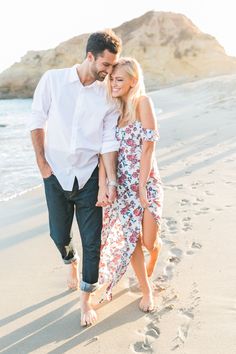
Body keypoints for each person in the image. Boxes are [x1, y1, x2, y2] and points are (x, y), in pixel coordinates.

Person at [28, 30, 122, 326]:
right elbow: (36, 120)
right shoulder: (53, 80)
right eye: (105, 65)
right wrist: (42, 164)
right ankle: (71, 262)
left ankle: (86, 299)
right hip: (55, 173)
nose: (109, 72)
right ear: (90, 56)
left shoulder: (107, 95)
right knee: (58, 235)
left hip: (89, 176)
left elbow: (108, 141)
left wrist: (110, 182)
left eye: (112, 67)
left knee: (92, 241)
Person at [97, 57, 164, 312]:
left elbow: (148, 149)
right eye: (112, 79)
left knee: (149, 241)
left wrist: (142, 188)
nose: (113, 83)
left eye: (119, 80)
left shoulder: (143, 103)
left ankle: (156, 252)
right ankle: (146, 290)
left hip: (146, 182)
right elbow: (105, 152)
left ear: (133, 81)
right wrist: (106, 184)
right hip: (123, 186)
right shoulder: (113, 111)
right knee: (132, 240)